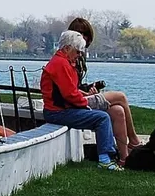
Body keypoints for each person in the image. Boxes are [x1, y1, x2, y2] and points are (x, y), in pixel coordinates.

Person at [40, 31, 122, 170]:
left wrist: (82, 96)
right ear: (67, 48)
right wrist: (86, 104)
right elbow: (69, 95)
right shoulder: (61, 64)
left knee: (106, 115)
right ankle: (105, 159)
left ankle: (110, 155)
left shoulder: (60, 62)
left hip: (60, 110)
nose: (79, 55)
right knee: (102, 118)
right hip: (58, 112)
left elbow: (68, 91)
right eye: (77, 52)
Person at [67, 16, 142, 160]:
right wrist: (85, 93)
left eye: (85, 34)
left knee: (118, 111)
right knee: (120, 97)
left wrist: (88, 90)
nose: (83, 37)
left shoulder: (79, 57)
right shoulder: (69, 57)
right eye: (79, 33)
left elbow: (74, 86)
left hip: (82, 96)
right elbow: (68, 90)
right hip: (76, 102)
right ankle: (133, 140)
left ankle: (124, 158)